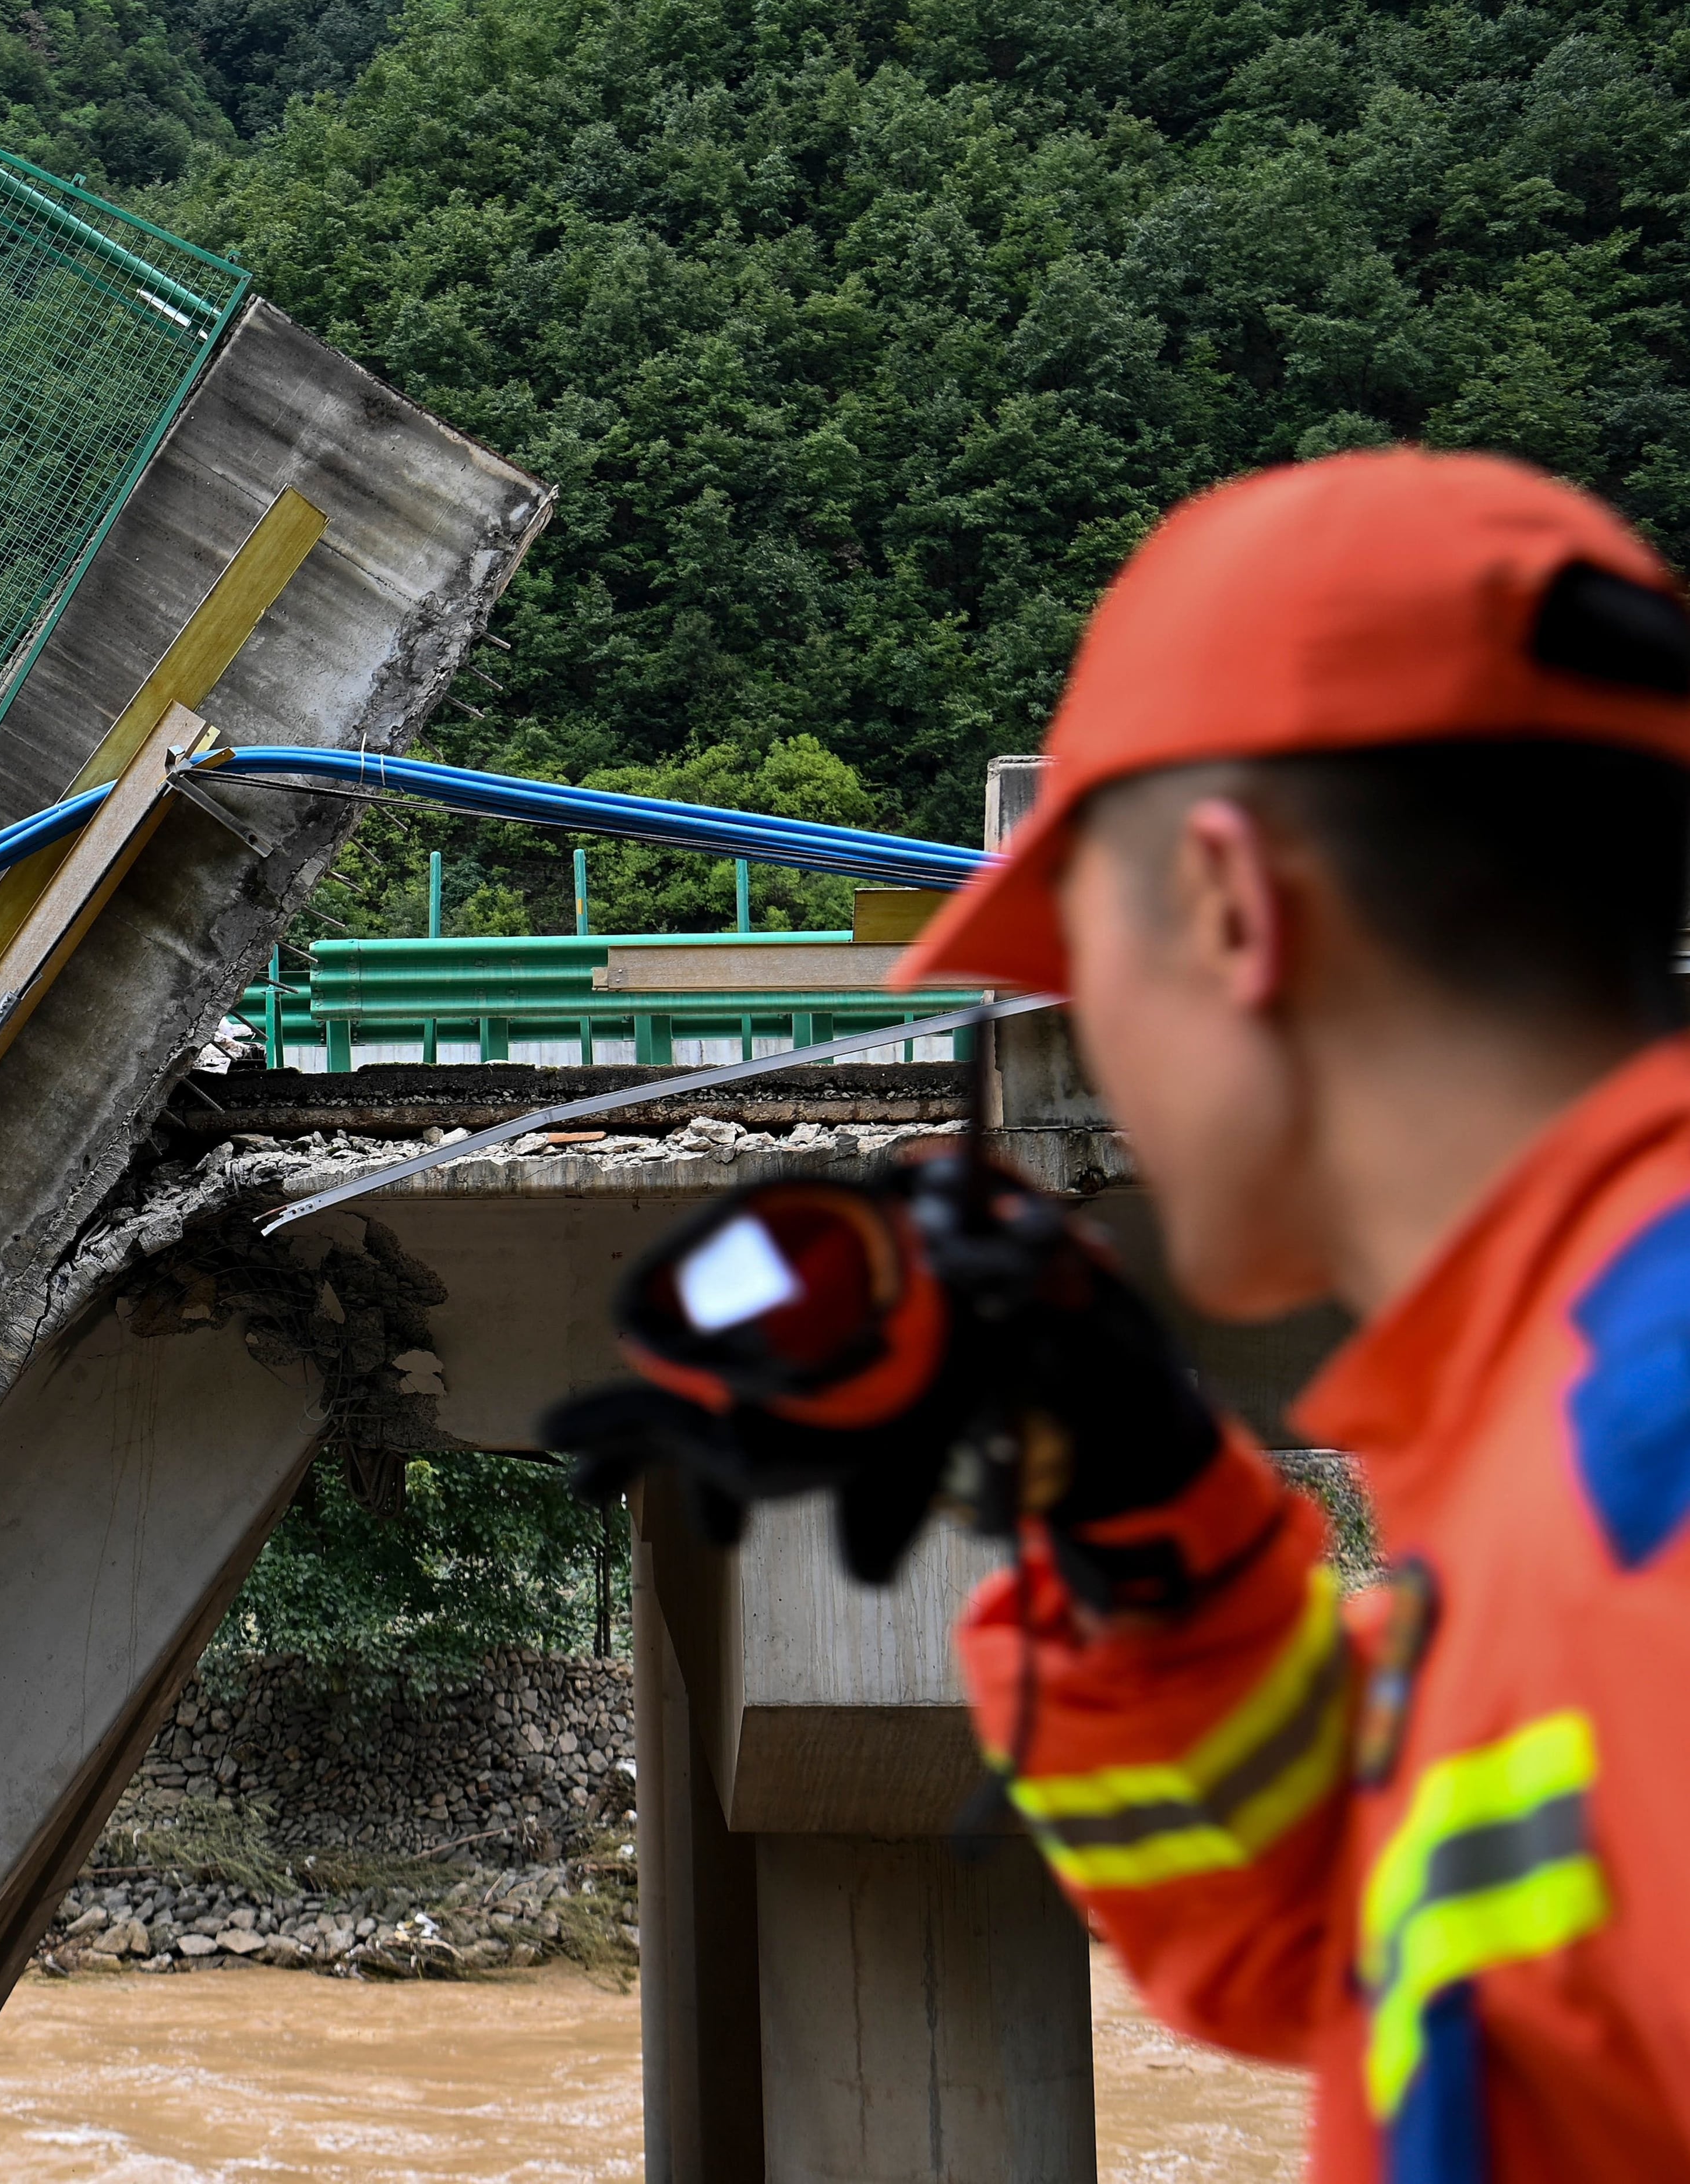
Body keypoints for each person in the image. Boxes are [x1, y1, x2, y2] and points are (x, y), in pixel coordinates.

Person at [571, 448, 1690, 2180]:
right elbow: (1326, 1922)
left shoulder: (1642, 1457)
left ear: (1233, 909)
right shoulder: (1559, 1445)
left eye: (1081, 969)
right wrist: (1132, 1505)